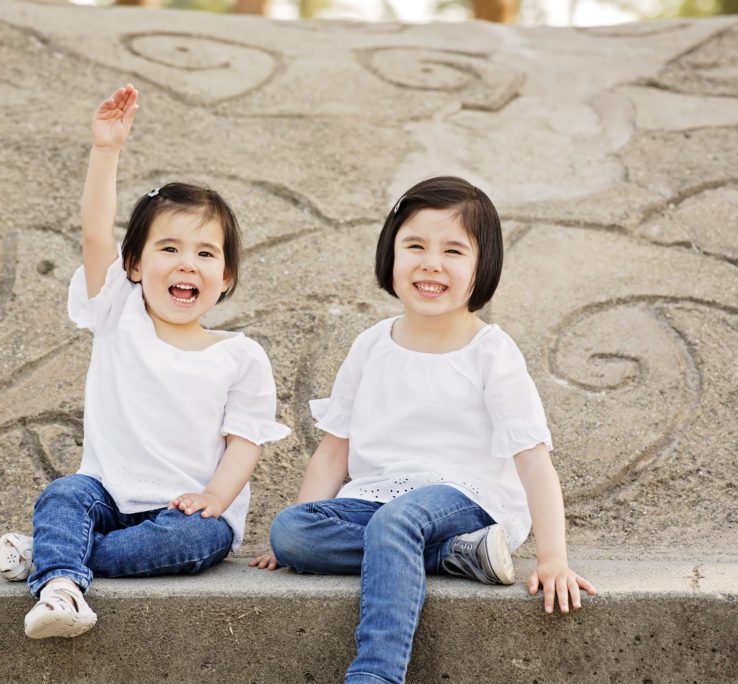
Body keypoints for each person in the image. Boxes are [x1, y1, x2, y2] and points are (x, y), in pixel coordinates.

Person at [250, 176, 596, 683]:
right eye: (415, 245)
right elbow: (333, 451)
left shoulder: (490, 352)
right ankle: (456, 557)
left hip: (466, 497)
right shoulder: (371, 345)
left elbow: (532, 457)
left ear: (482, 268)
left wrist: (552, 558)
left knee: (396, 522)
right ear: (391, 254)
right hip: (377, 499)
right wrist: (294, 533)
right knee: (290, 531)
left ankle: (376, 674)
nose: (431, 262)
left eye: (453, 250)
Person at [0, 85, 290, 639]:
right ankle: (61, 589)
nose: (187, 264)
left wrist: (214, 499)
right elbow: (93, 229)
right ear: (133, 264)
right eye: (169, 248)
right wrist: (106, 151)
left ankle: (51, 555)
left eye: (206, 254)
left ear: (225, 277)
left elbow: (244, 443)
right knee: (63, 495)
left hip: (190, 515)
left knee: (189, 540)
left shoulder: (242, 356)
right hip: (107, 493)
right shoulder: (118, 313)